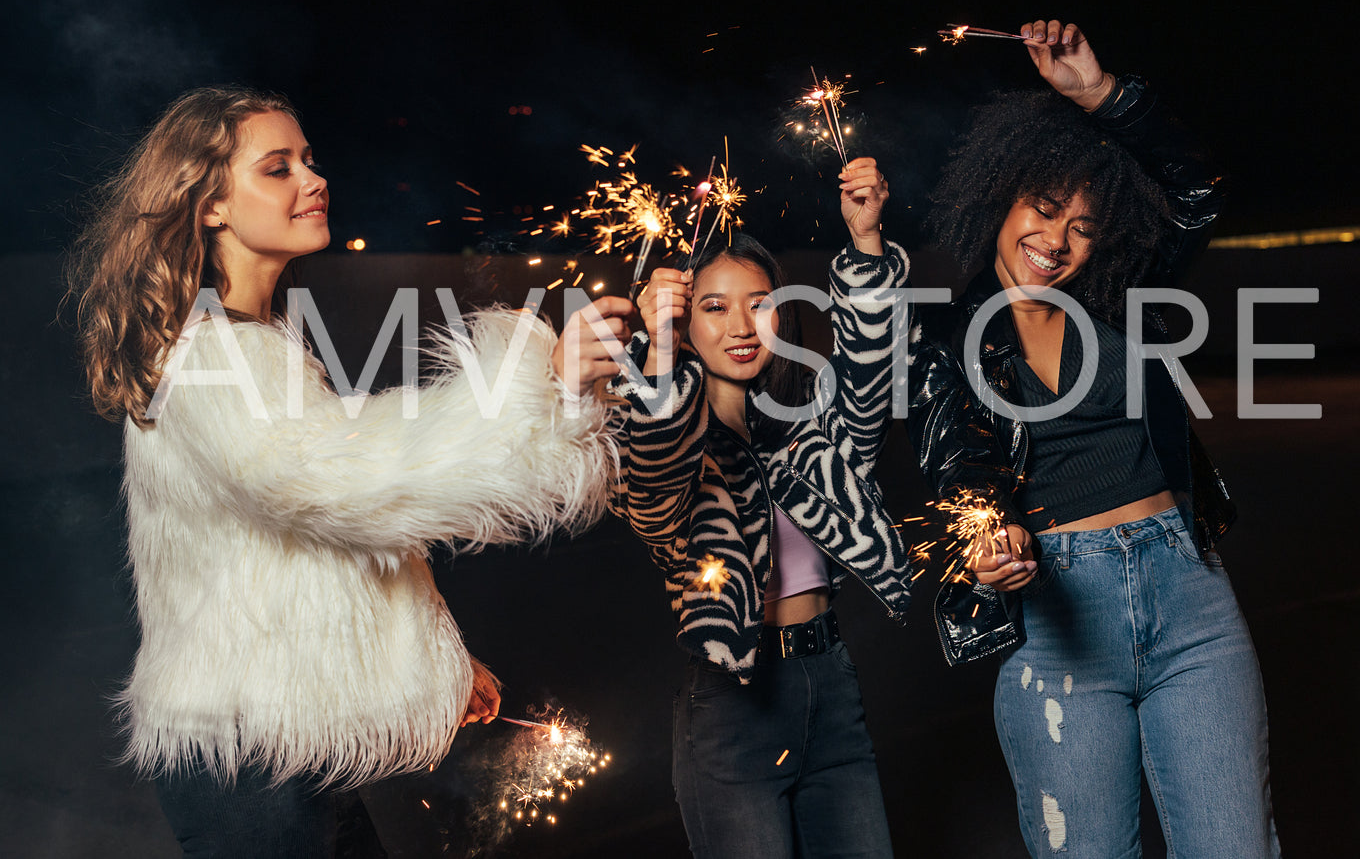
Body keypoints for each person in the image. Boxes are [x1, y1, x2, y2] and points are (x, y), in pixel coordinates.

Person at [68, 86, 631, 857]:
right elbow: (349, 484)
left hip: (281, 736)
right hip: (246, 756)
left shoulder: (250, 343)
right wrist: (543, 387)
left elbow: (316, 536)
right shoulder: (211, 358)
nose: (313, 179)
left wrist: (435, 657)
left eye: (309, 160)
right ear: (210, 206)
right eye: (277, 168)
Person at [908, 20, 1280, 856]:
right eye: (1044, 211)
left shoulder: (1120, 294)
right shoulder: (946, 341)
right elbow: (958, 463)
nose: (1058, 242)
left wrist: (1101, 95)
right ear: (999, 196)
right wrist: (987, 541)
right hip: (1058, 618)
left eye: (1083, 225)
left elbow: (1197, 194)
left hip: (1189, 595)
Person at [609, 157, 911, 859]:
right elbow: (654, 473)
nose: (742, 324)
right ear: (684, 325)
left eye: (759, 301)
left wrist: (865, 242)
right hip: (731, 706)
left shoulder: (807, 431)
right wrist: (654, 349)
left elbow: (868, 386)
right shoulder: (661, 450)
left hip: (831, 690)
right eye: (713, 307)